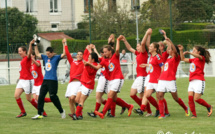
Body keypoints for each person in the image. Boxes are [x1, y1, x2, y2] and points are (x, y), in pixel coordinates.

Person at [89, 35, 134, 119]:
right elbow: (97, 67)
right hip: (110, 80)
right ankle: (128, 106)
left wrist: (118, 40)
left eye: (106, 52)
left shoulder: (115, 57)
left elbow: (117, 49)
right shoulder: (104, 60)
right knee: (114, 99)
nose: (104, 53)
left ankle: (103, 113)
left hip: (118, 78)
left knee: (110, 96)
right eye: (103, 52)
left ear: (110, 51)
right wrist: (89, 64)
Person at [157, 30, 190, 119]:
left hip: (170, 80)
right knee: (160, 95)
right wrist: (165, 36)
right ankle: (162, 115)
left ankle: (185, 108)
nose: (168, 49)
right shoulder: (168, 58)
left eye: (169, 48)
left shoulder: (176, 58)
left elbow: (175, 50)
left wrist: (169, 41)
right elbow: (168, 48)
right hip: (162, 79)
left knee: (175, 98)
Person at [31, 38, 66, 119]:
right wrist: (35, 44)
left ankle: (61, 111)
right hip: (45, 80)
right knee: (41, 96)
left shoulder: (56, 58)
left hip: (53, 81)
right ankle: (40, 113)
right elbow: (37, 53)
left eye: (49, 54)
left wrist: (64, 44)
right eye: (46, 54)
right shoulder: (45, 57)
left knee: (53, 96)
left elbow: (64, 53)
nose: (48, 55)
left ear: (52, 53)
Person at [121, 30, 153, 117]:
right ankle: (144, 108)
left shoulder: (143, 53)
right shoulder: (138, 53)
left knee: (142, 96)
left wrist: (146, 33)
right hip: (138, 77)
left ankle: (149, 111)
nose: (137, 47)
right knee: (132, 94)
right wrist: (125, 40)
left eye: (138, 46)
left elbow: (143, 44)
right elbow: (129, 48)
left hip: (142, 77)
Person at [178, 44, 213, 118]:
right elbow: (183, 59)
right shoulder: (193, 60)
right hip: (191, 81)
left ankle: (209, 106)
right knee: (190, 99)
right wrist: (181, 50)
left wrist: (190, 53)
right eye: (192, 50)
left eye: (194, 50)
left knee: (196, 99)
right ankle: (194, 115)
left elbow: (199, 57)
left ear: (199, 52)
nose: (193, 51)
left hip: (199, 81)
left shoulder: (201, 58)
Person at [135, 42, 164, 117]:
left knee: (159, 97)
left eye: (151, 46)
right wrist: (146, 65)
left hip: (157, 80)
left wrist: (160, 78)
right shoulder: (151, 56)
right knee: (147, 95)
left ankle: (162, 112)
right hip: (151, 80)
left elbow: (162, 67)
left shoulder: (158, 57)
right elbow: (153, 64)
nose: (149, 47)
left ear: (155, 49)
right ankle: (157, 108)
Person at [15, 40, 40, 118]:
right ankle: (23, 112)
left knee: (28, 99)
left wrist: (30, 45)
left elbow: (29, 53)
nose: (19, 52)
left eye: (20, 51)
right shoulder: (23, 59)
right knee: (16, 96)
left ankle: (41, 110)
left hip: (27, 80)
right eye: (18, 51)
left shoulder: (27, 58)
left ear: (24, 51)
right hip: (21, 80)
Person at [75, 48, 99, 120]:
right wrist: (88, 49)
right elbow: (85, 57)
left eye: (89, 57)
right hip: (83, 83)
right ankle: (79, 113)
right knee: (76, 100)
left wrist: (88, 64)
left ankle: (77, 115)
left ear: (93, 59)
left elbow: (91, 69)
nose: (88, 58)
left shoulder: (94, 65)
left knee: (81, 101)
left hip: (88, 85)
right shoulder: (89, 62)